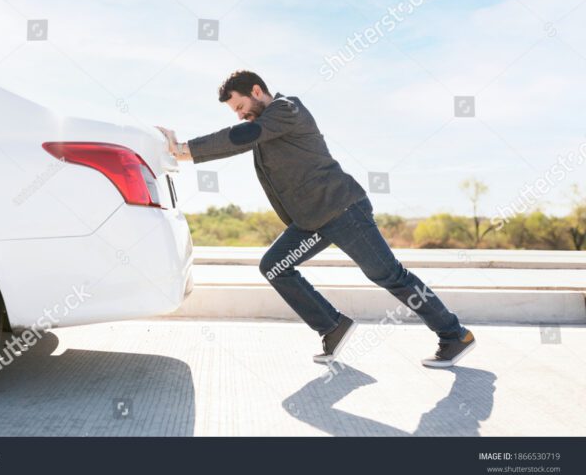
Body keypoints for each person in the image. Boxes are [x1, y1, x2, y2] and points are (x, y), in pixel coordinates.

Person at [157, 70, 476, 368]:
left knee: (389, 275)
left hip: (343, 211)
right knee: (275, 266)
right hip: (312, 222)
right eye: (235, 111)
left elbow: (241, 135)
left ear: (257, 91)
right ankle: (333, 326)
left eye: (241, 106)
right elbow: (244, 135)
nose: (240, 114)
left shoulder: (286, 109)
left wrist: (183, 149)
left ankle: (455, 334)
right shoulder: (266, 127)